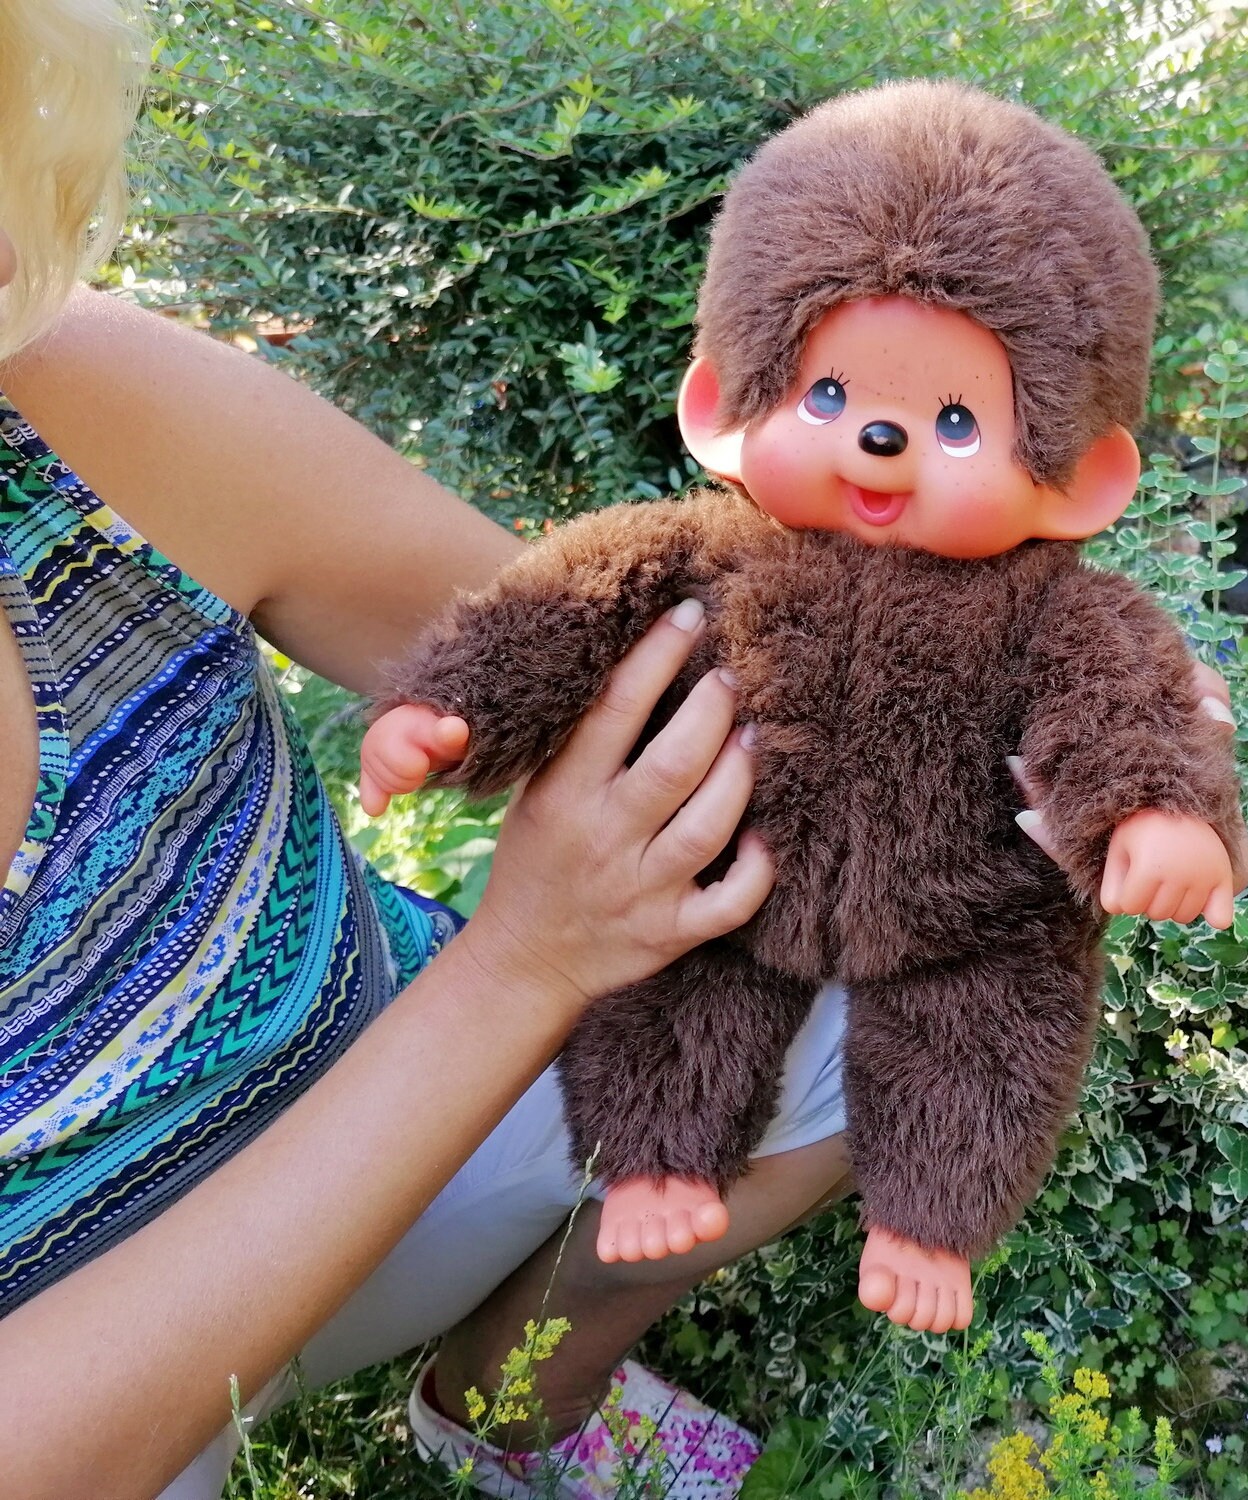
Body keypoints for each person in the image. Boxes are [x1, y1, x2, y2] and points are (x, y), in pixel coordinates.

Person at [0, 3, 850, 1496]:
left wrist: (1014, 683)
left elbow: (592, 653)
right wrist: (525, 963)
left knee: (881, 988)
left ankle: (511, 1402)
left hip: (406, 1100)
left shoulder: (76, 408)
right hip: (86, 1389)